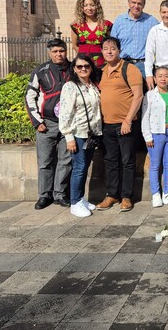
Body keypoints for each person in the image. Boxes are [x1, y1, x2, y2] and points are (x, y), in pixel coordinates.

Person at [96, 36, 144, 212]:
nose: (109, 51)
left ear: (119, 50)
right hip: (107, 125)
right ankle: (111, 194)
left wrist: (128, 120)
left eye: (113, 48)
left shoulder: (130, 69)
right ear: (102, 51)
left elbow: (138, 96)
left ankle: (126, 197)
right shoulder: (101, 71)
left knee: (127, 161)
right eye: (106, 48)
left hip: (125, 125)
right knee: (111, 161)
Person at [25, 38, 72, 210]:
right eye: (55, 52)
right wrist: (37, 121)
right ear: (49, 52)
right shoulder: (41, 71)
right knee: (45, 161)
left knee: (65, 161)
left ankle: (60, 194)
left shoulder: (75, 69)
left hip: (68, 125)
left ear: (66, 51)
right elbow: (30, 96)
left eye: (62, 51)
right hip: (47, 124)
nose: (59, 54)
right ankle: (44, 195)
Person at [58, 54, 102, 218]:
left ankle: (80, 198)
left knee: (84, 167)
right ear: (74, 69)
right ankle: (75, 201)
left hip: (92, 133)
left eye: (87, 66)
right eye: (79, 67)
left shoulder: (92, 85)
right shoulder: (70, 87)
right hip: (78, 133)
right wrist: (68, 136)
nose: (83, 69)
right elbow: (65, 113)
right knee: (79, 167)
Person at [141, 67, 168, 207]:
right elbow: (144, 117)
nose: (163, 78)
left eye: (166, 76)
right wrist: (147, 136)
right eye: (159, 76)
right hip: (156, 134)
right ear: (154, 78)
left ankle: (167, 192)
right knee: (155, 165)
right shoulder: (149, 95)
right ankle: (156, 194)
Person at [111, 0, 159, 78]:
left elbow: (166, 31)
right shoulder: (119, 21)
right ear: (128, 2)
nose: (136, 6)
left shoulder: (152, 21)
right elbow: (113, 45)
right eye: (133, 3)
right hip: (123, 65)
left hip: (144, 67)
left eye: (139, 3)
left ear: (144, 4)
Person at [70, 0, 112, 68]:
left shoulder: (106, 25)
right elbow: (74, 46)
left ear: (97, 7)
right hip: (83, 65)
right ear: (81, 8)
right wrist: (84, 55)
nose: (89, 8)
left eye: (92, 5)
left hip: (102, 64)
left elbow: (111, 44)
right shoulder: (76, 26)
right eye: (85, 5)